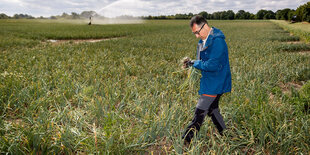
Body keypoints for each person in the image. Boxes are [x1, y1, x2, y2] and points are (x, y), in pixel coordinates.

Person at [182, 15, 232, 143]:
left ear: (204, 26)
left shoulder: (218, 41)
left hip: (216, 82)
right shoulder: (202, 41)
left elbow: (212, 65)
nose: (196, 36)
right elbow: (201, 61)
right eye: (194, 34)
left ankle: (185, 140)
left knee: (199, 112)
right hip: (209, 81)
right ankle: (225, 134)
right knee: (212, 109)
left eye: (197, 32)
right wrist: (192, 63)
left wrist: (195, 64)